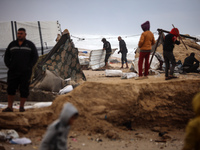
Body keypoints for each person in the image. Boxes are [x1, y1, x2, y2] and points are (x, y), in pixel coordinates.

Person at [2, 28, 38, 112]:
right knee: (11, 88)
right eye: (18, 33)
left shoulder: (30, 45)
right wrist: (10, 65)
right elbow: (6, 56)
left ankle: (21, 107)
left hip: (25, 72)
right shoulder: (12, 44)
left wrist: (29, 66)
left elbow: (35, 56)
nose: (19, 35)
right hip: (13, 71)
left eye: (21, 33)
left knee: (24, 89)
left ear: (25, 34)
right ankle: (10, 107)